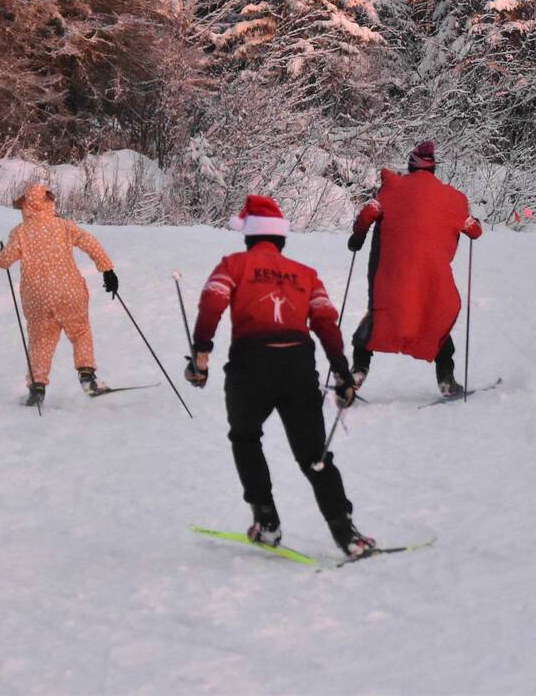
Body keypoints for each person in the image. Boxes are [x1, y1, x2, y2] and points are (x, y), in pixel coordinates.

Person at [184, 195, 376, 559]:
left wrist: (201, 355)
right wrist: (342, 373)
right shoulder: (307, 275)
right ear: (281, 239)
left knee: (245, 438)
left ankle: (266, 521)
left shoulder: (233, 265)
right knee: (314, 454)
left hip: (249, 365)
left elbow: (212, 302)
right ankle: (347, 533)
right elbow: (325, 323)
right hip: (298, 366)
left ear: (249, 237)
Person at [345, 140, 483, 401]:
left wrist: (358, 238)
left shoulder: (391, 189)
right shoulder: (450, 198)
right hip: (430, 277)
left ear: (410, 166)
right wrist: (473, 222)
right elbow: (474, 230)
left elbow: (367, 214)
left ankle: (358, 372)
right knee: (434, 322)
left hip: (391, 274)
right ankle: (446, 380)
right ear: (433, 169)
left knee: (378, 317)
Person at [0, 182, 119, 407]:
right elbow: (89, 242)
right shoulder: (63, 226)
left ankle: (38, 388)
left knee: (41, 342)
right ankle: (86, 375)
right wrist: (107, 269)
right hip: (69, 293)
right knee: (80, 331)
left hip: (37, 299)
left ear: (26, 206)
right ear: (48, 203)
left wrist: (2, 252)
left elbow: (3, 262)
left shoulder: (20, 232)